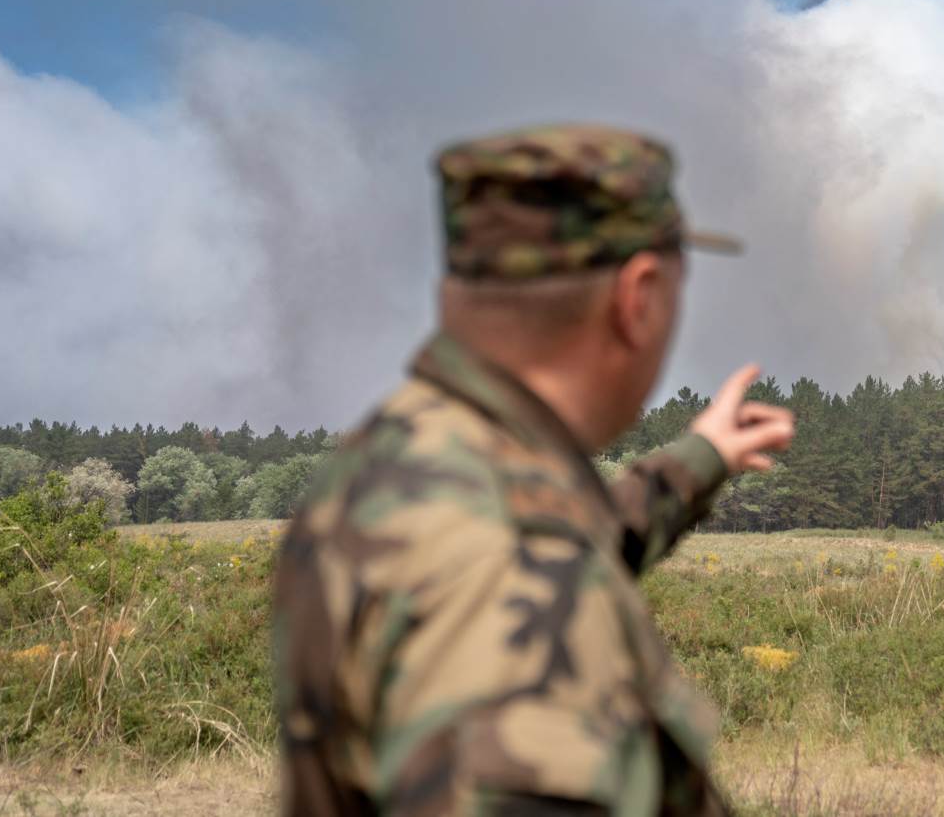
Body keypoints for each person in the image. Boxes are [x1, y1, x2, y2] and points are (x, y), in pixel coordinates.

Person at [272, 124, 795, 816]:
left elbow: (574, 536)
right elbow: (530, 568)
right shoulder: (507, 556)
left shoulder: (400, 458)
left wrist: (701, 459)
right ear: (637, 297)